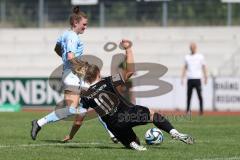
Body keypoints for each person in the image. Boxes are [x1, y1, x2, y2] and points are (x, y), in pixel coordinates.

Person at [61, 40, 194, 151]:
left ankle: (132, 143)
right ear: (98, 74)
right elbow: (130, 71)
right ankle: (174, 132)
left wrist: (71, 135)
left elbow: (79, 120)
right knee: (153, 114)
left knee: (134, 141)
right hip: (127, 114)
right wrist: (128, 49)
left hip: (114, 126)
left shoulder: (86, 96)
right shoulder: (108, 81)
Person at [31, 6, 116, 142]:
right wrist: (84, 67)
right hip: (72, 77)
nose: (85, 27)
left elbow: (57, 48)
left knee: (94, 102)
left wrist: (68, 63)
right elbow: (71, 56)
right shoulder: (72, 36)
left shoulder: (65, 34)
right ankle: (39, 123)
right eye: (84, 24)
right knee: (71, 110)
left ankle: (112, 133)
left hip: (74, 75)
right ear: (76, 23)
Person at [181, 42, 208, 115]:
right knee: (189, 96)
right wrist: (182, 77)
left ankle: (201, 111)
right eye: (191, 47)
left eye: (193, 47)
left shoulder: (200, 56)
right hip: (190, 79)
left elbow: (204, 67)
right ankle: (187, 111)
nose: (192, 48)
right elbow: (185, 67)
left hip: (197, 78)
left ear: (195, 47)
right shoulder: (187, 57)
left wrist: (206, 77)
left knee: (199, 96)